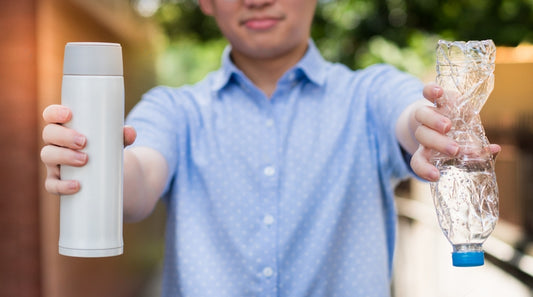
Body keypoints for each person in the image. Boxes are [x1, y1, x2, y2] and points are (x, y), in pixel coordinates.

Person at [40, 0, 501, 296]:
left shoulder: (368, 93)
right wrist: (92, 164)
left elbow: (406, 112)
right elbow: (136, 182)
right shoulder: (175, 110)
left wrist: (431, 127)